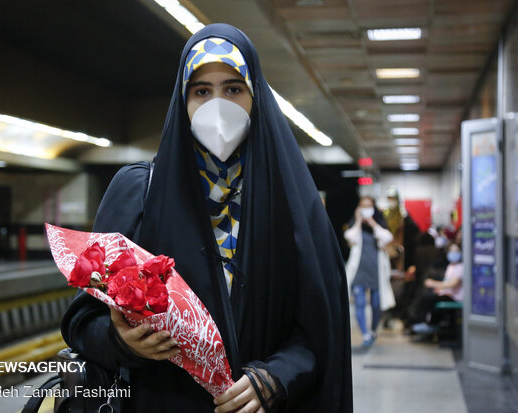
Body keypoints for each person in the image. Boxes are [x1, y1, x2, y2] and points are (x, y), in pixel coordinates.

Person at [61, 23, 352, 413]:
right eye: (201, 91)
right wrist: (119, 342)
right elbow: (83, 318)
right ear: (182, 101)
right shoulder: (139, 193)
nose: (218, 106)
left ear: (256, 97)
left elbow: (321, 327)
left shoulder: (293, 205)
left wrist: (277, 376)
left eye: (233, 89)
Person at [344, 196, 395, 347]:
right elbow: (350, 238)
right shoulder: (355, 226)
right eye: (363, 206)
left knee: (376, 304)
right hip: (359, 271)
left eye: (369, 206)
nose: (366, 209)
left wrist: (372, 223)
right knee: (359, 302)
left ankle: (373, 330)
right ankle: (365, 334)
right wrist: (358, 220)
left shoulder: (378, 226)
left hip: (376, 272)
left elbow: (387, 238)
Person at [412, 243, 463, 334]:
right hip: (447, 294)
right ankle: (424, 322)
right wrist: (440, 289)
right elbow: (446, 283)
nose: (453, 253)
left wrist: (433, 284)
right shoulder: (451, 267)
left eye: (456, 251)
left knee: (430, 299)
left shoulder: (461, 267)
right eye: (451, 251)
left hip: (455, 298)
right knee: (426, 297)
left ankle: (431, 324)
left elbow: (452, 284)